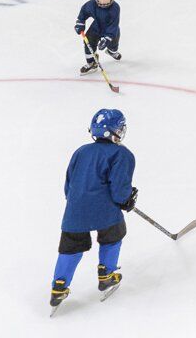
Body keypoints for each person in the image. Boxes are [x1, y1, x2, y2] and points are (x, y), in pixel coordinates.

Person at [50, 108, 136, 313]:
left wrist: (77, 204)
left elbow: (68, 185)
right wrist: (126, 200)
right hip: (104, 210)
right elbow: (119, 190)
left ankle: (58, 287)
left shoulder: (80, 151)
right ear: (114, 130)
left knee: (70, 246)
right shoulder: (122, 154)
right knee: (113, 234)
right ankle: (106, 275)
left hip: (75, 209)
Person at [75, 0, 121, 75]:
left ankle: (112, 51)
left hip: (110, 31)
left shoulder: (115, 8)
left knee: (113, 45)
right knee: (88, 42)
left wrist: (107, 38)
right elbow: (84, 12)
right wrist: (80, 23)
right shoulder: (91, 5)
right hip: (96, 27)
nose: (107, 0)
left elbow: (113, 25)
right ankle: (92, 63)